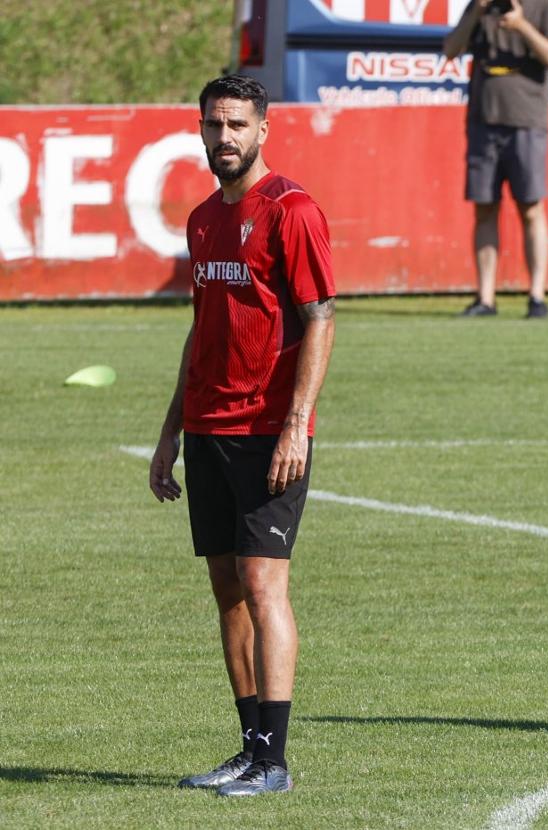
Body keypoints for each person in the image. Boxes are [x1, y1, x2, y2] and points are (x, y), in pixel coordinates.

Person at [149, 74, 335, 796]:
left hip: (267, 430)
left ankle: (278, 762)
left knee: (263, 583)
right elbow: (202, 331)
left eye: (237, 125)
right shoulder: (202, 220)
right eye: (213, 124)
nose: (224, 137)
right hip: (208, 428)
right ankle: (250, 748)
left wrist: (296, 424)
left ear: (264, 130)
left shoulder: (293, 212)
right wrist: (169, 434)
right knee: (227, 588)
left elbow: (320, 317)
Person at [443, 0, 548, 318]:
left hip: (527, 120)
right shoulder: (480, 6)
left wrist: (522, 25)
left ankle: (537, 296)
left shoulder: (545, 6)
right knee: (484, 209)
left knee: (531, 208)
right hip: (483, 121)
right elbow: (450, 51)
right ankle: (485, 299)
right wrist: (477, 13)